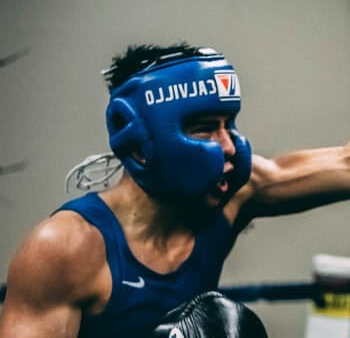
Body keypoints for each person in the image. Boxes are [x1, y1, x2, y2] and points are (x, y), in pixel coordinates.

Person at [0, 43, 349, 337]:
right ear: (140, 146)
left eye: (229, 125)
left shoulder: (232, 196)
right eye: (204, 129)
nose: (228, 146)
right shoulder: (65, 249)